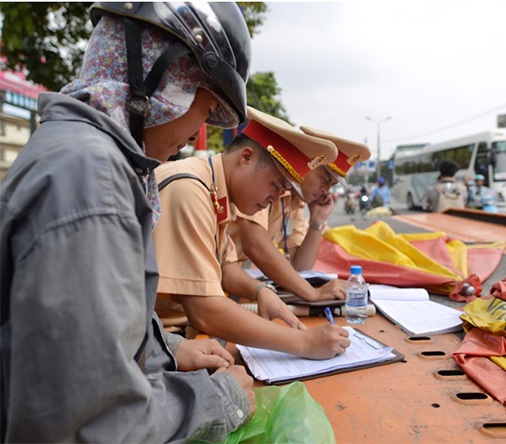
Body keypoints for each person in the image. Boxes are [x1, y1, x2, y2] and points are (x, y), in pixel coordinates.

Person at [0, 3, 257, 442]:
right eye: (204, 108)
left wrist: (171, 351)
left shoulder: (85, 157)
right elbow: (90, 423)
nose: (198, 133)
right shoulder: (91, 179)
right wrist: (222, 399)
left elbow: (100, 331)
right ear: (166, 80)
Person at [153, 107, 351, 359]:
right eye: (277, 185)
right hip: (159, 338)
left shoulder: (216, 187)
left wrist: (260, 292)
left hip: (176, 334)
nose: (276, 198)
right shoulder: (190, 189)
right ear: (246, 157)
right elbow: (204, 311)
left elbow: (227, 266)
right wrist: (302, 342)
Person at [229, 126, 371, 302]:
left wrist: (317, 221)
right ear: (308, 165)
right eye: (325, 179)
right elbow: (255, 244)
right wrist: (312, 293)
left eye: (332, 186)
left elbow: (300, 266)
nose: (325, 191)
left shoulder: (295, 203)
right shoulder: (266, 188)